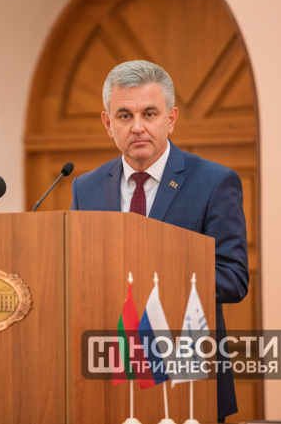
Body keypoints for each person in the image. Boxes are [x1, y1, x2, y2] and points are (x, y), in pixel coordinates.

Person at [70, 60, 249, 421]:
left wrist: (153, 277)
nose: (137, 127)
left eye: (149, 113)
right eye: (124, 116)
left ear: (171, 118)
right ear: (107, 123)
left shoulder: (213, 182)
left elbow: (233, 278)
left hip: (186, 370)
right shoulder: (85, 187)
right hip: (107, 370)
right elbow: (75, 271)